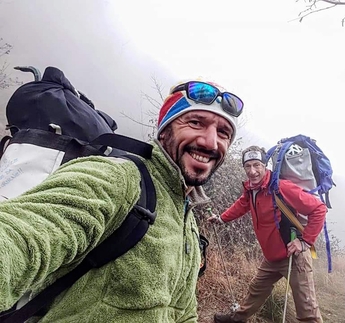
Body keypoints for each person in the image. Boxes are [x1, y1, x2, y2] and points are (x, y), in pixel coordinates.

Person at [0, 80, 244, 322]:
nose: (210, 142)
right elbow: (24, 236)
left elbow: (182, 311)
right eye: (195, 123)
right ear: (165, 129)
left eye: (223, 133)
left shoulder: (187, 219)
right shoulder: (119, 178)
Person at [208, 145, 327, 323]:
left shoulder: (281, 187)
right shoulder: (251, 189)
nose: (252, 171)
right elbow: (242, 204)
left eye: (257, 165)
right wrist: (222, 219)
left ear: (265, 166)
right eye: (248, 166)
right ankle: (236, 319)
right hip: (271, 256)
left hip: (294, 256)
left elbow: (319, 209)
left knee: (307, 309)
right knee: (256, 290)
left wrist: (304, 243)